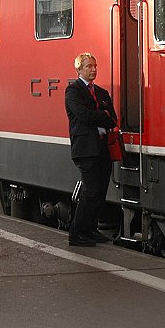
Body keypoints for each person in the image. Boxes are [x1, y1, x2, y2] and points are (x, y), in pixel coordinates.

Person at [64, 52, 117, 247]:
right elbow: (83, 115)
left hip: (103, 147)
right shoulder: (73, 91)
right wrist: (101, 115)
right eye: (89, 66)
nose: (93, 69)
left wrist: (101, 116)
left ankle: (91, 229)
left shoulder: (102, 93)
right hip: (85, 149)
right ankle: (77, 233)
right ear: (79, 69)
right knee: (90, 190)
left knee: (100, 190)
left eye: (95, 66)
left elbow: (113, 119)